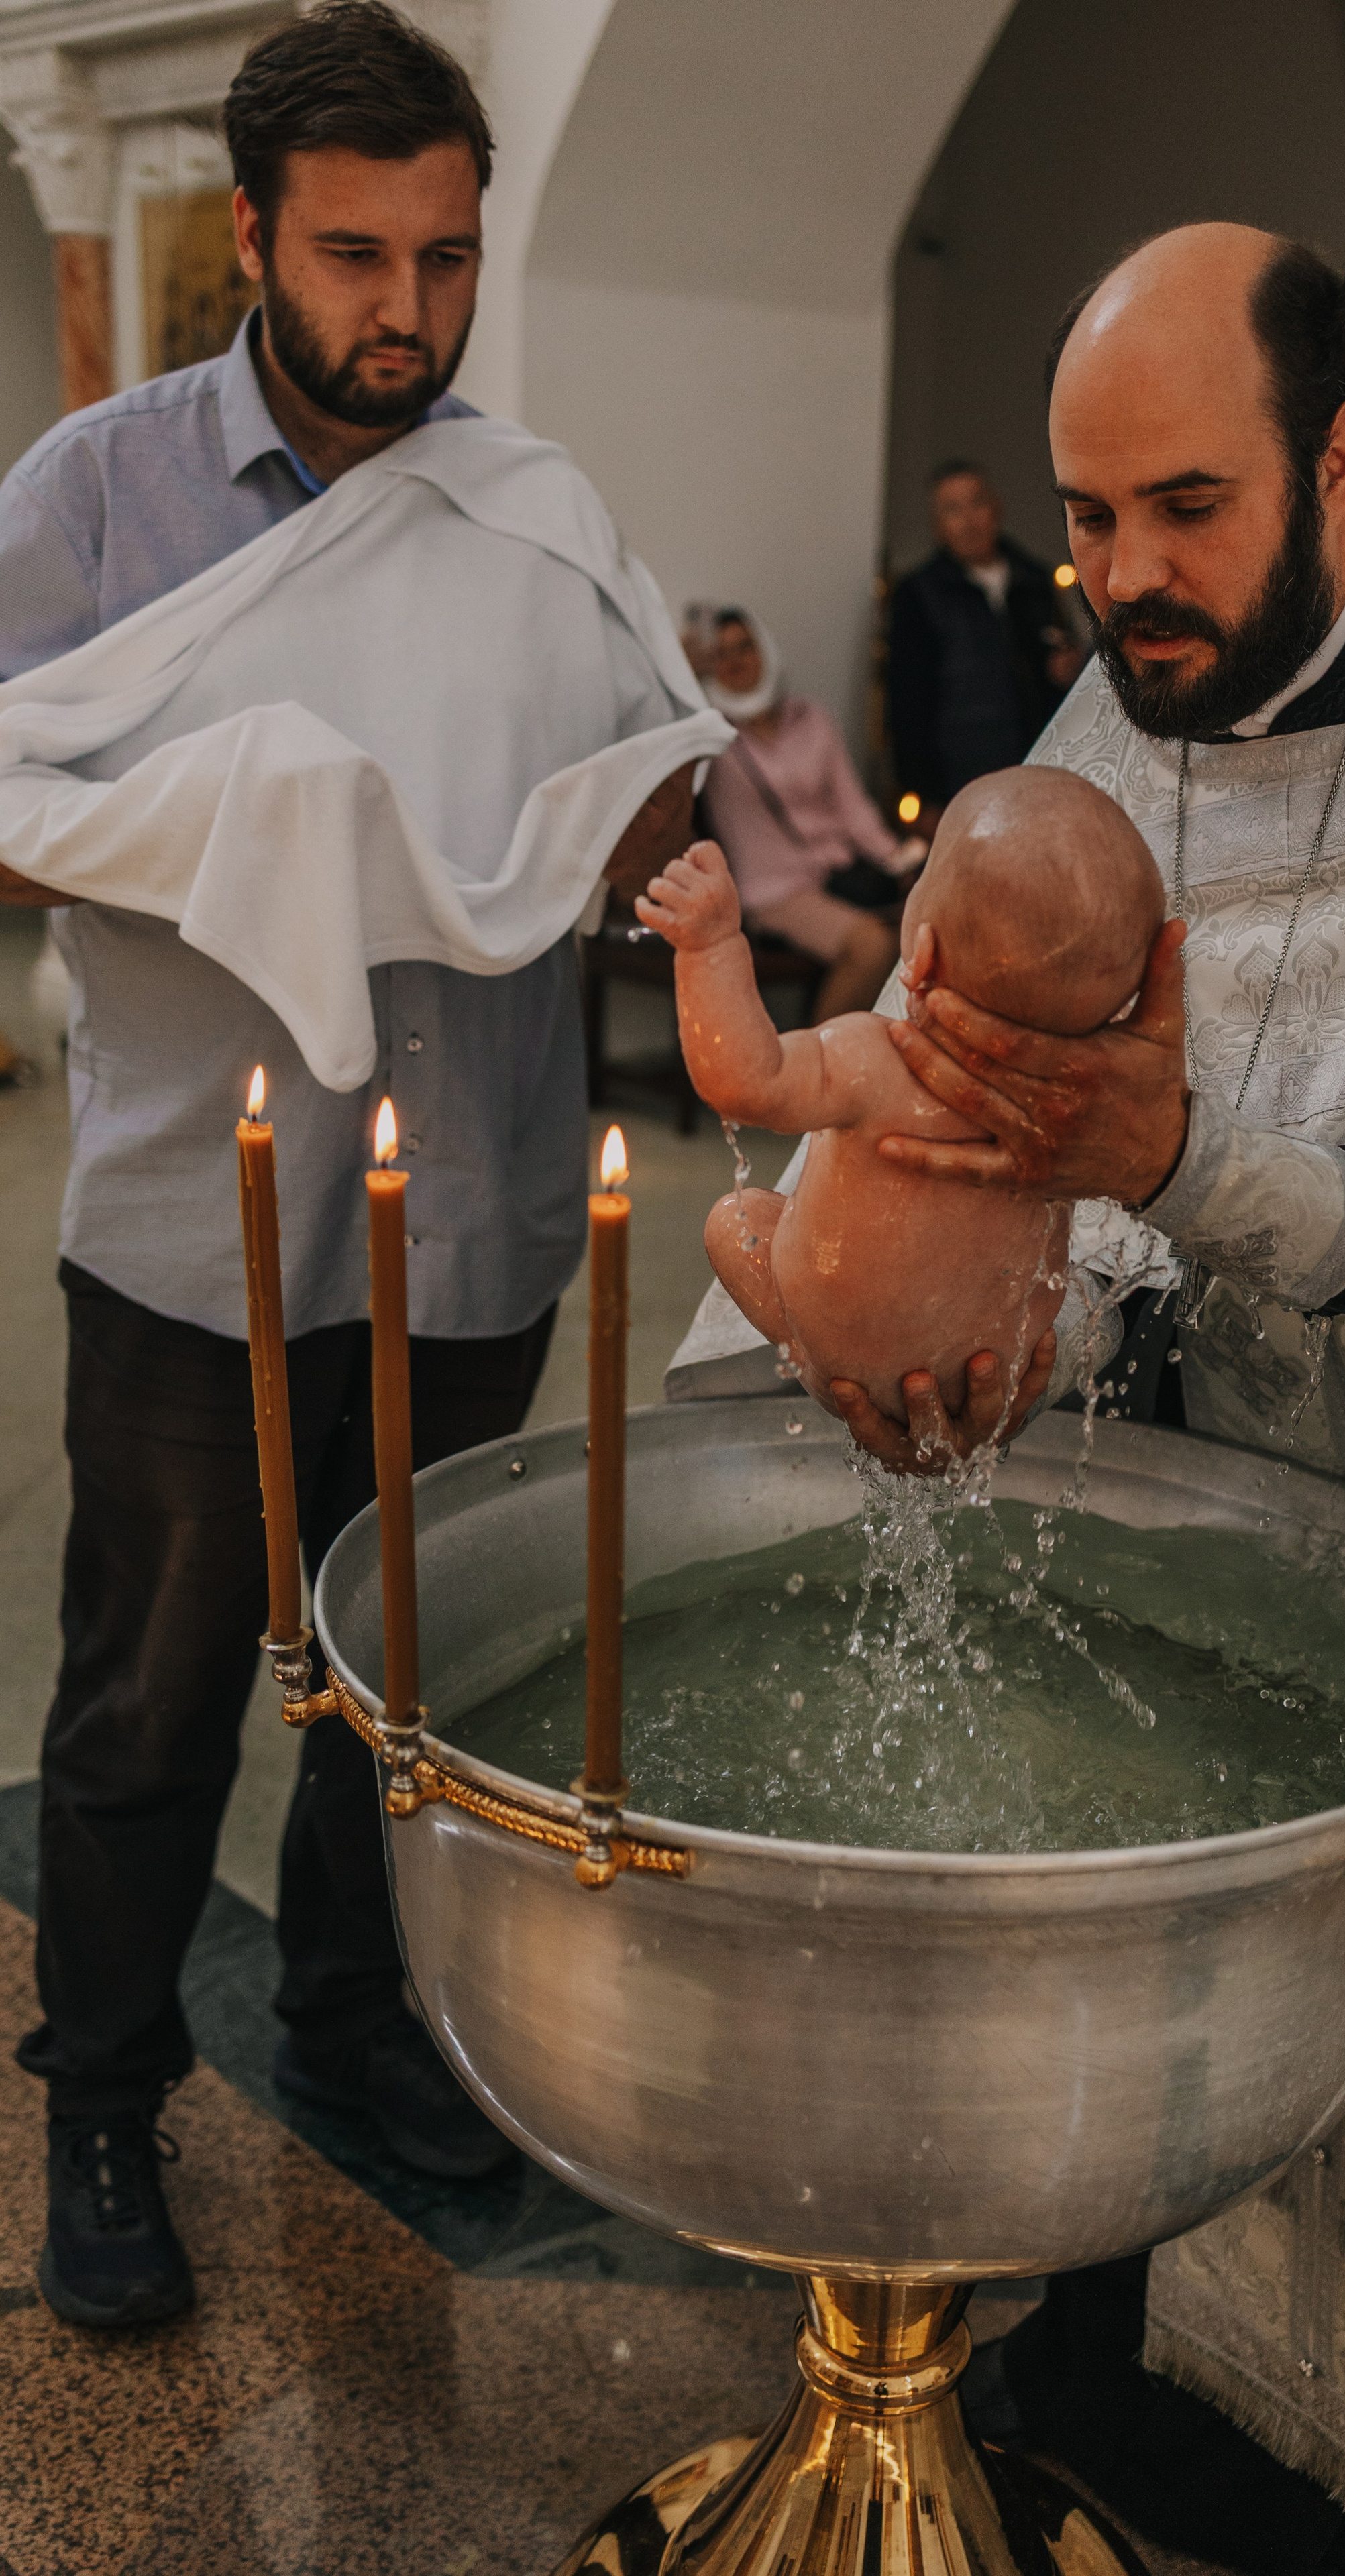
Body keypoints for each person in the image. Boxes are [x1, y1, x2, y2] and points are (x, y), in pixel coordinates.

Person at [683, 224, 1345, 2572]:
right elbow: (966, 1109)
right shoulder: (1107, 730)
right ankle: (1106, 2422)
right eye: (1087, 515)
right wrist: (933, 1326)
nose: (1122, 577)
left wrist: (1169, 1156)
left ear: (1335, 460)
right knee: (1134, 2092)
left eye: (1183, 507)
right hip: (1172, 1531)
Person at [0, 1, 701, 2331]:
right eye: (355, 256)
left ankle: (349, 2024)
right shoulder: (96, 495)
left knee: (404, 1678)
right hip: (191, 1224)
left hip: (474, 1201)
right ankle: (104, 2095)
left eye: (447, 257)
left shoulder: (531, 513)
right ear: (251, 237)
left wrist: (645, 834)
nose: (408, 310)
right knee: (147, 1698)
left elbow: (635, 784)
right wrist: (219, 818)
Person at [641, 768, 1159, 1422]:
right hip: (993, 1368)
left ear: (923, 949)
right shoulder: (1069, 1103)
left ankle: (813, 1357)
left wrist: (710, 947)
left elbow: (743, 1083)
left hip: (851, 1360)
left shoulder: (870, 1055)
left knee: (736, 1218)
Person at [697, 608, 922, 1021]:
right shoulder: (711, 739)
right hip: (774, 891)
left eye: (745, 647)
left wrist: (901, 860)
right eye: (721, 654)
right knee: (872, 946)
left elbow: (853, 808)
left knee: (923, 930)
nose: (735, 661)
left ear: (764, 650)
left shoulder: (812, 719)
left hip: (839, 873)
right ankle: (810, 1059)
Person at [887, 460, 1084, 834]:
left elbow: (1059, 658)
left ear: (996, 507)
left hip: (1039, 766)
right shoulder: (918, 595)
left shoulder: (1034, 580)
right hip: (963, 775)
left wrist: (1066, 668)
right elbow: (908, 701)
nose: (969, 520)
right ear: (937, 526)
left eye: (977, 502)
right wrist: (923, 793)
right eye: (953, 510)